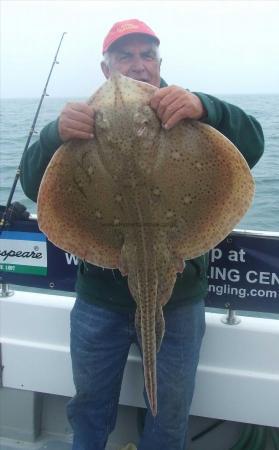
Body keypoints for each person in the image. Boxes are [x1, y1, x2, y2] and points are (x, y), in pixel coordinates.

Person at [20, 18, 264, 450]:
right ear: (106, 68)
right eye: (125, 56)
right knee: (89, 408)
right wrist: (54, 134)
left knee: (169, 415)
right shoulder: (81, 121)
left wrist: (206, 107)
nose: (137, 65)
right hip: (99, 299)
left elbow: (254, 145)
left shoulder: (185, 108)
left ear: (158, 63)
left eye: (146, 55)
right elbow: (34, 184)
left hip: (182, 297)